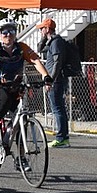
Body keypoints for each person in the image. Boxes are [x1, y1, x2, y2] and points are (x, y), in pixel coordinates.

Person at [0, 18, 49, 150]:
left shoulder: (21, 48)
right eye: (5, 32)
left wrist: (46, 76)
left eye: (12, 31)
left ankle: (21, 158)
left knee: (21, 119)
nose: (8, 35)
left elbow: (35, 61)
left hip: (13, 85)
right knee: (5, 99)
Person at [36, 17, 70, 147]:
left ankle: (61, 138)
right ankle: (63, 137)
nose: (40, 31)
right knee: (58, 108)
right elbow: (39, 49)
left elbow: (57, 62)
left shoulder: (56, 42)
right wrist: (44, 38)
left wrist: (51, 80)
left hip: (56, 80)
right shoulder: (51, 42)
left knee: (57, 109)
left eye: (42, 29)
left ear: (47, 29)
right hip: (54, 79)